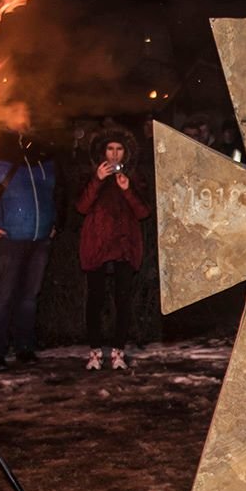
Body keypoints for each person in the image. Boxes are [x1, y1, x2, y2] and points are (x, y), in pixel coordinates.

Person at [0, 130, 63, 371]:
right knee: (1, 297)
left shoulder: (45, 157)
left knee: (29, 297)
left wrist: (55, 223)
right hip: (5, 240)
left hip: (39, 238)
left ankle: (25, 347)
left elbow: (59, 192)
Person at [78, 127, 150, 371]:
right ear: (102, 151)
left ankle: (119, 351)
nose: (115, 154)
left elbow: (143, 212)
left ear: (126, 152)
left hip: (124, 246)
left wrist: (127, 189)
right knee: (95, 300)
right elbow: (81, 206)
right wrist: (97, 180)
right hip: (97, 245)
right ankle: (95, 352)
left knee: (123, 300)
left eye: (119, 149)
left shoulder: (134, 176)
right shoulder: (89, 174)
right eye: (110, 149)